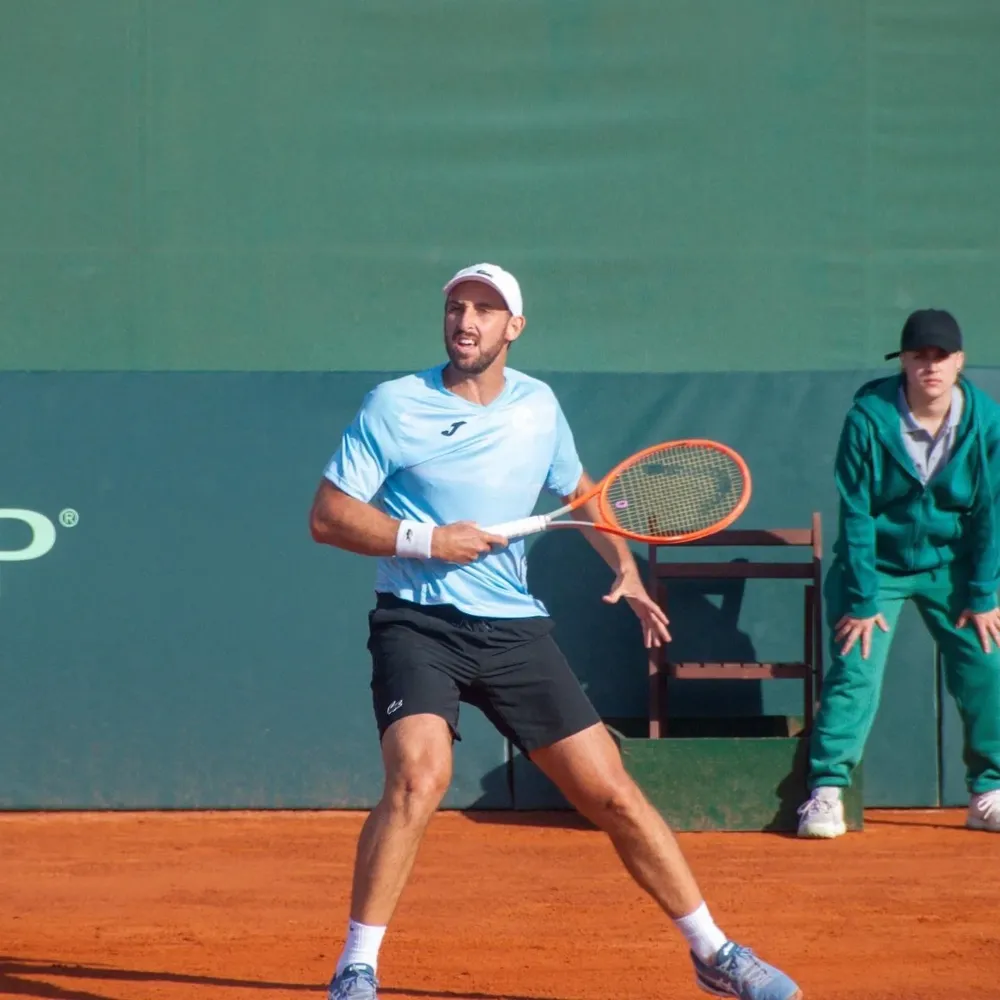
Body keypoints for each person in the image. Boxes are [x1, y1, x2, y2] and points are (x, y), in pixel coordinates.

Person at [309, 263, 803, 1000]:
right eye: (456, 307)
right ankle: (357, 967)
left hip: (512, 630)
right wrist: (426, 541)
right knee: (419, 778)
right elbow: (329, 516)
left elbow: (584, 497)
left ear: (514, 327)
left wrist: (627, 570)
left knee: (613, 794)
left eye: (484, 310)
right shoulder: (394, 406)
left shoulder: (538, 406)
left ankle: (714, 952)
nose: (466, 321)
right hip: (419, 623)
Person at [797, 308, 1000, 839]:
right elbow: (857, 512)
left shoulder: (987, 423)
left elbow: (990, 515)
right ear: (904, 362)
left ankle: (988, 794)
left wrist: (982, 593)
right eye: (919, 356)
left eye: (940, 356)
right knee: (854, 668)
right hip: (875, 569)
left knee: (987, 664)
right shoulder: (867, 418)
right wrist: (862, 599)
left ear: (959, 361)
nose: (930, 366)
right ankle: (826, 793)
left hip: (950, 566)